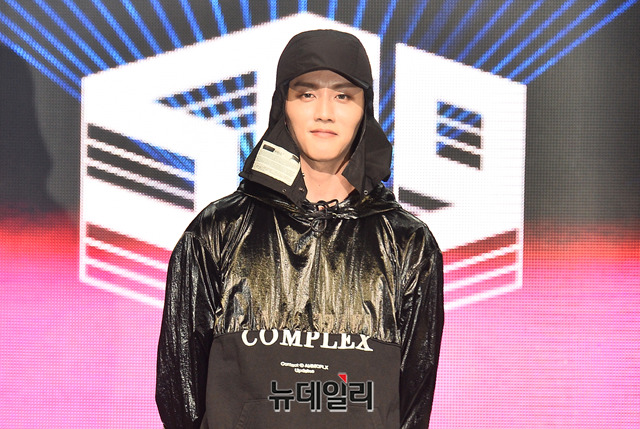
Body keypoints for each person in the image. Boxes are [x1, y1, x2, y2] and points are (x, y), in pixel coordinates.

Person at [156, 29, 444, 429]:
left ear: (364, 108)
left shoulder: (408, 243)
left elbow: (415, 394)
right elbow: (179, 384)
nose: (324, 112)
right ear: (283, 105)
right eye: (306, 94)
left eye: (343, 96)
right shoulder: (218, 231)